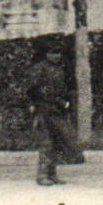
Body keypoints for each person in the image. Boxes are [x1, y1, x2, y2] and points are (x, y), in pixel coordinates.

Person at [28, 45, 83, 185]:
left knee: (56, 143)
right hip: (44, 110)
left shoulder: (60, 69)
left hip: (57, 110)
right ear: (46, 54)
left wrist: (64, 103)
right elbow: (35, 89)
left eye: (58, 52)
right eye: (53, 52)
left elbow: (63, 89)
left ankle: (52, 174)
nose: (56, 56)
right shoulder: (40, 68)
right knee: (46, 143)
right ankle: (42, 175)